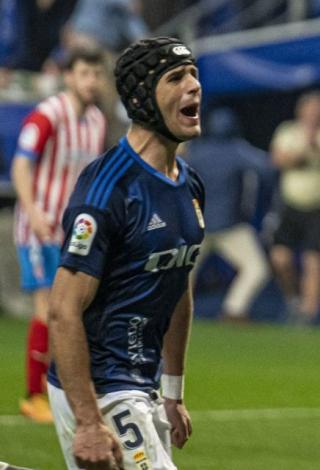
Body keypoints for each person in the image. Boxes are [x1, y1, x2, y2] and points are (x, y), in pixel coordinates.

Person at [47, 37, 204, 470]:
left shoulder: (189, 185)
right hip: (97, 384)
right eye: (176, 78)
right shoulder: (108, 188)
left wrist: (172, 392)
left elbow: (178, 288)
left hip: (141, 385)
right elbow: (62, 309)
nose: (194, 86)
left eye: (193, 74)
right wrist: (87, 422)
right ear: (142, 98)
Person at [11, 47, 106, 423]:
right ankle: (34, 396)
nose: (91, 81)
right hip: (40, 226)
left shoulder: (97, 120)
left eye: (96, 74)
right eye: (84, 73)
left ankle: (65, 389)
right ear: (68, 76)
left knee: (75, 312)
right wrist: (33, 210)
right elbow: (21, 164)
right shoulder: (48, 114)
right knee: (48, 308)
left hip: (75, 232)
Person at [269, 90, 320, 324]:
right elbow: (278, 160)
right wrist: (303, 149)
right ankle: (293, 300)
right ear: (300, 110)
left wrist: (318, 146)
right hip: (289, 205)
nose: (313, 114)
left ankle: (308, 315)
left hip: (319, 207)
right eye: (309, 109)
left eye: (318, 110)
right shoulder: (288, 131)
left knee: (313, 259)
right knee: (280, 258)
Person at [187, 108, 272, 322]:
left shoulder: (195, 152)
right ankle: (234, 310)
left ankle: (175, 313)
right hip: (228, 225)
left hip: (198, 225)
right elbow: (266, 166)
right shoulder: (237, 150)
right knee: (256, 269)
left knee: (180, 272)